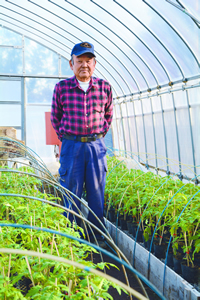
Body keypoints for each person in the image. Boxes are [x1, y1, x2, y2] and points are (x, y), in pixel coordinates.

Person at [51, 41, 113, 246]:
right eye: (80, 61)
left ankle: (97, 238)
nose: (84, 65)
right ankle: (72, 237)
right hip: (72, 146)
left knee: (97, 193)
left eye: (88, 61)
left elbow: (108, 116)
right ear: (71, 64)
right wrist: (69, 138)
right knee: (71, 191)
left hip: (96, 146)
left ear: (94, 64)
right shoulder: (61, 88)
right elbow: (55, 118)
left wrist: (96, 136)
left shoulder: (104, 87)